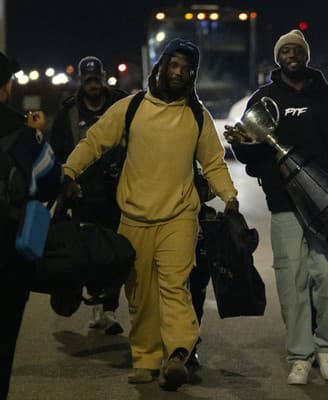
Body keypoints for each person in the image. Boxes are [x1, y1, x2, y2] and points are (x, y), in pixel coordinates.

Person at [62, 39, 239, 391]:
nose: (178, 73)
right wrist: (69, 172)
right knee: (140, 294)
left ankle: (177, 354)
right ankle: (145, 358)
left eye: (186, 69)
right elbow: (94, 140)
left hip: (179, 217)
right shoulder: (131, 108)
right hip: (134, 218)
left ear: (192, 76)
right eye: (173, 65)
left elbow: (214, 162)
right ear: (160, 67)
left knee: (175, 287)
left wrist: (230, 198)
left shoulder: (196, 116)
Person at [224, 29, 328, 385]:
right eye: (285, 50)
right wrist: (241, 144)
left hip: (326, 206)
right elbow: (252, 152)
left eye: (297, 49)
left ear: (306, 56)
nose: (291, 54)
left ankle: (326, 346)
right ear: (277, 58)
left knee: (326, 276)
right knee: (291, 282)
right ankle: (299, 354)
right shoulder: (263, 99)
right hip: (284, 204)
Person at [50, 56, 128, 335]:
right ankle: (98, 305)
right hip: (82, 195)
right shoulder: (69, 112)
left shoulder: (121, 104)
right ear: (82, 82)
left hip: (118, 193)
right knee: (90, 252)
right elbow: (57, 151)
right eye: (88, 81)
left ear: (103, 78)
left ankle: (109, 308)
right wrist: (66, 181)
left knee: (117, 251)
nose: (93, 86)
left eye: (97, 80)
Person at [0, 51, 61, 400]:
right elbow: (49, 180)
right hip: (8, 252)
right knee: (4, 340)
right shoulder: (22, 132)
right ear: (5, 86)